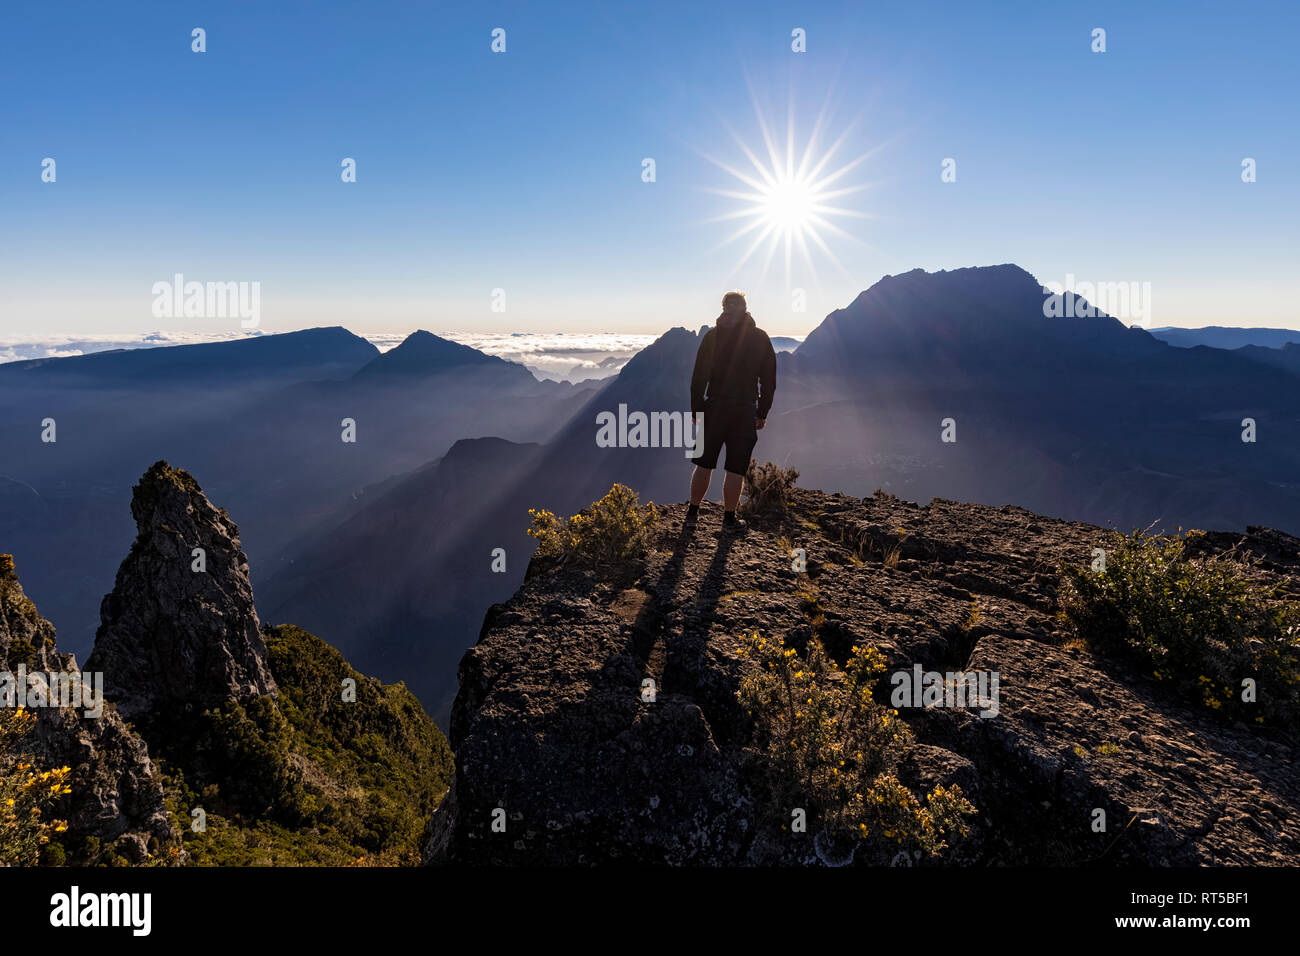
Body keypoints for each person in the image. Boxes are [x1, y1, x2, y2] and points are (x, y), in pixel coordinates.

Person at [686, 291, 777, 533]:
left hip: (714, 407)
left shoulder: (712, 337)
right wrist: (762, 411)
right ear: (746, 308)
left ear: (724, 308)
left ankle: (692, 514)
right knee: (736, 467)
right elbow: (769, 380)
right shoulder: (760, 338)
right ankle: (728, 519)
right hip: (745, 410)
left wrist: (697, 408)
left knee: (703, 463)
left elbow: (698, 377)